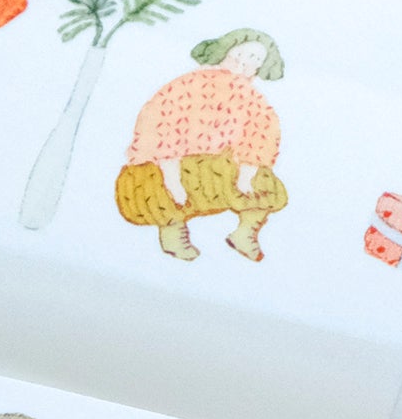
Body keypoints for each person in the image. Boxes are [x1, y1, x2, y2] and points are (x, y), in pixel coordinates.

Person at [115, 29, 288, 262]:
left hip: (220, 165)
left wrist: (246, 176)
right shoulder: (188, 85)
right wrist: (172, 180)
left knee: (264, 184)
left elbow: (260, 137)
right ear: (225, 51)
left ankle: (245, 233)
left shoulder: (253, 98)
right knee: (157, 190)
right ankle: (173, 234)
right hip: (171, 163)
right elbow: (161, 130)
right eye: (240, 53)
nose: (244, 62)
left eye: (255, 58)